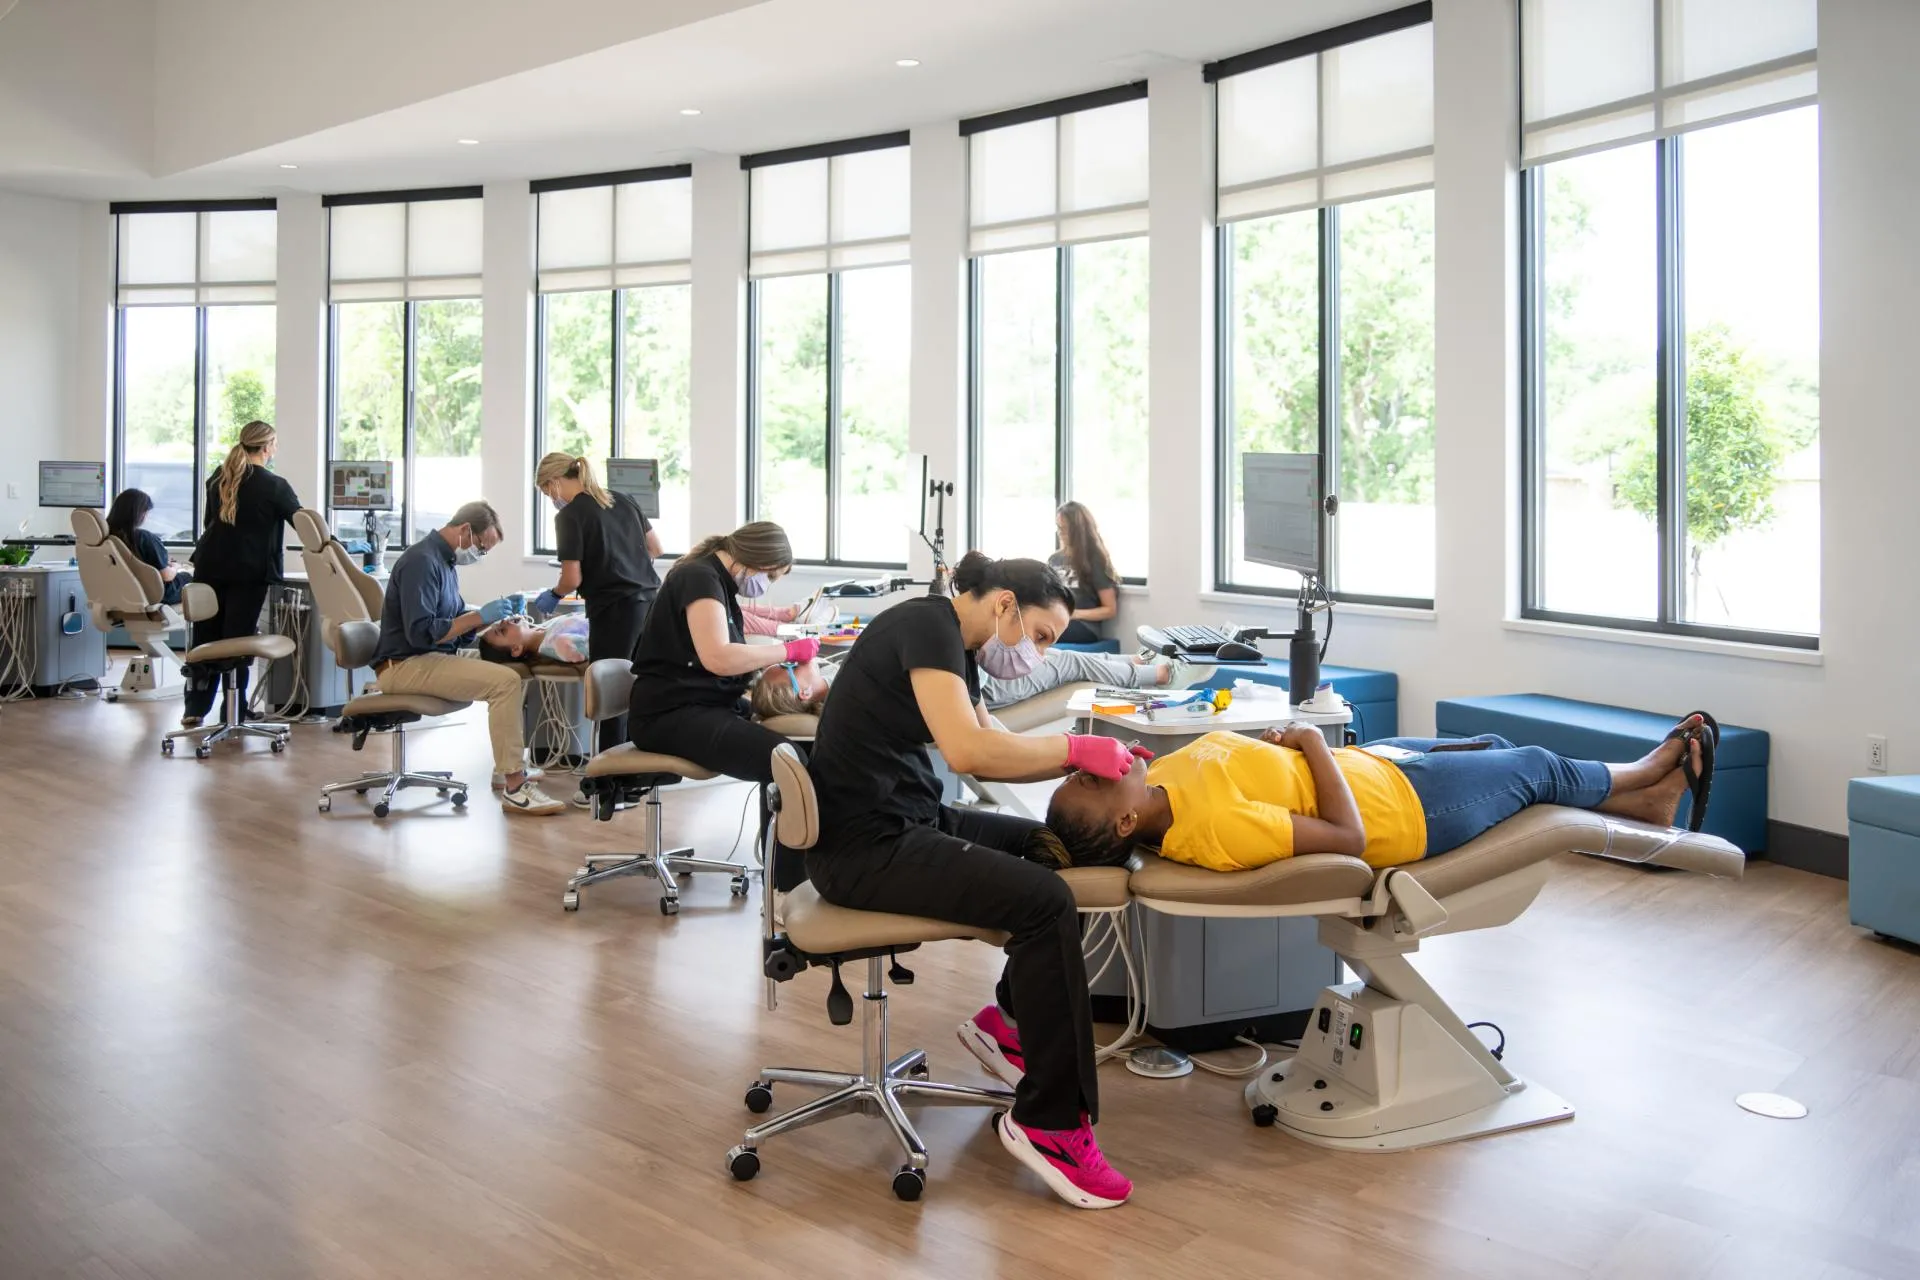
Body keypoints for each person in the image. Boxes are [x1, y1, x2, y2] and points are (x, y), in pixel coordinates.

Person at [803, 550, 1142, 1210]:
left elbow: (995, 743)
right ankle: (1050, 1125)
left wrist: (1092, 763)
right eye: (1040, 635)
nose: (1038, 654)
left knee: (1055, 852)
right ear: (1005, 604)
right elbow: (967, 753)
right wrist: (1077, 748)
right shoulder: (926, 628)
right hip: (865, 850)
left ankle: (1007, 1026)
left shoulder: (953, 644)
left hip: (907, 819)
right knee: (1046, 901)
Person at [1044, 717, 1712, 873]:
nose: (1090, 770)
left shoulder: (1159, 779)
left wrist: (1281, 747)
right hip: (1409, 810)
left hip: (1376, 765)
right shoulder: (1215, 830)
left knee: (1492, 744)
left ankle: (1645, 807)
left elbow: (1247, 767)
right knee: (1535, 768)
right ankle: (1645, 772)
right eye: (1089, 783)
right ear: (1125, 821)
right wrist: (1310, 741)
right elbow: (1348, 839)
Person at [628, 521, 818, 885]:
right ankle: (786, 887)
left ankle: (800, 869)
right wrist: (787, 652)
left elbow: (723, 643)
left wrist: (780, 637)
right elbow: (718, 657)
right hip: (669, 714)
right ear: (756, 558)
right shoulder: (699, 578)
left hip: (697, 704)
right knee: (785, 760)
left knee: (800, 747)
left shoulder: (714, 580)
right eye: (770, 576)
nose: (766, 585)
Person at [368, 500, 567, 817]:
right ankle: (515, 787)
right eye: (482, 547)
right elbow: (421, 633)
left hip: (430, 657)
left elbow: (455, 629)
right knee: (504, 681)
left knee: (517, 669)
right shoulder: (421, 561)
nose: (480, 554)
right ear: (464, 530)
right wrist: (478, 617)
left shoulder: (445, 564)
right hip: (405, 664)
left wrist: (489, 619)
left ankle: (507, 767)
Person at [533, 452, 661, 753]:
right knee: (640, 687)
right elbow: (655, 548)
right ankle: (637, 770)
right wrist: (627, 562)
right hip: (651, 603)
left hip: (614, 610)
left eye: (546, 492)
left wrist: (554, 594)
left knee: (611, 693)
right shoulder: (623, 500)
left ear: (553, 482)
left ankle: (608, 775)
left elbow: (571, 578)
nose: (551, 499)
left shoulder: (569, 516)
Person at [181, 421, 301, 727]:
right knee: (238, 642)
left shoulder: (218, 477)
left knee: (205, 640)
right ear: (267, 447)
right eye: (275, 443)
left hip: (209, 567)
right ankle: (233, 710)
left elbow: (210, 523)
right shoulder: (274, 485)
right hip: (249, 573)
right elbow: (302, 522)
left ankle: (194, 709)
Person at [980, 649, 1207, 712]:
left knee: (1053, 653)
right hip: (989, 687)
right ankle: (1162, 675)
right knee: (1071, 662)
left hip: (986, 678)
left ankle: (1140, 661)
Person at [106, 487, 191, 607]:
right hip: (158, 594)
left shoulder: (108, 538)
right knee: (189, 576)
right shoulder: (144, 538)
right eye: (146, 512)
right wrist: (176, 567)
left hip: (125, 592)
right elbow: (166, 576)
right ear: (140, 513)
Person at [1049, 501, 1119, 645]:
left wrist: (1074, 614)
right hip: (1057, 618)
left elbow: (1110, 609)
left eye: (1064, 528)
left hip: (1084, 627)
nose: (1059, 532)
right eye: (1058, 527)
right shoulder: (1054, 559)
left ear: (1077, 530)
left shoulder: (1095, 560)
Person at [476, 613, 590, 665]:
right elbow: (598, 644)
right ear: (516, 649)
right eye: (502, 631)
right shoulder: (559, 644)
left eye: (497, 624)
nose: (503, 621)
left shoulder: (545, 628)